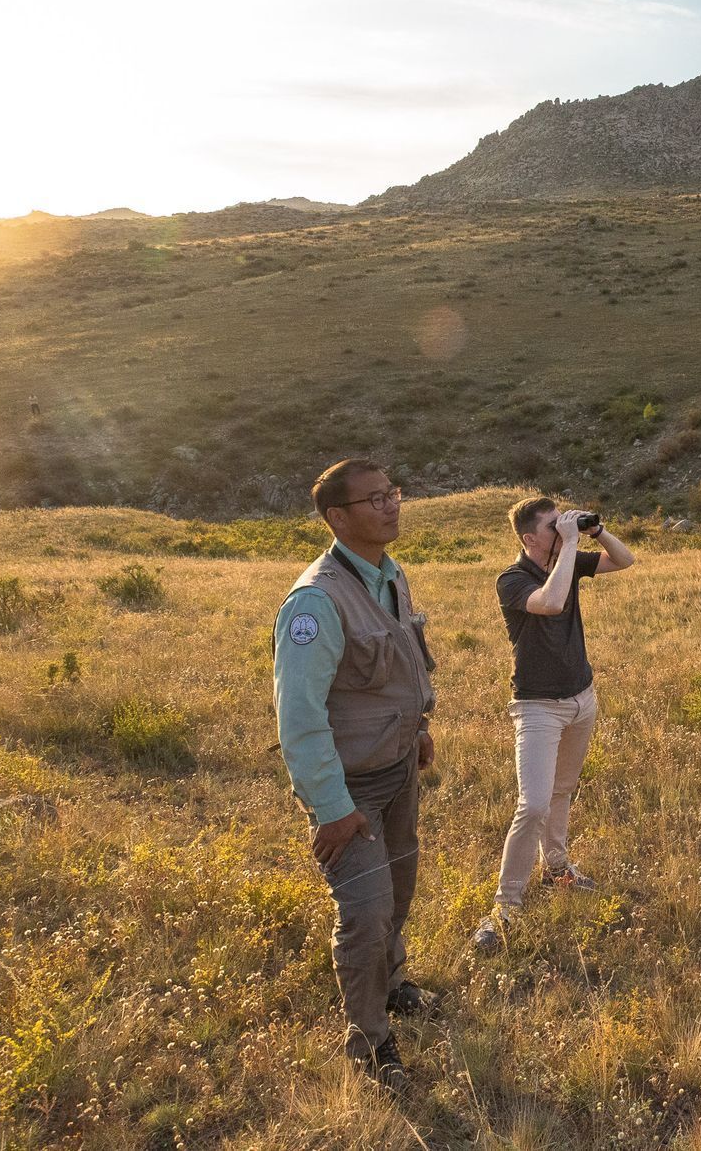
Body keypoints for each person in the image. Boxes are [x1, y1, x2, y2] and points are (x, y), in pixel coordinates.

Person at [272, 458, 437, 1093]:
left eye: (393, 492)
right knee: (366, 914)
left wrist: (418, 727)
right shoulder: (315, 602)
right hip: (351, 789)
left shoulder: (390, 577)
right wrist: (334, 809)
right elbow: (300, 718)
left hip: (398, 771)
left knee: (401, 885)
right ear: (339, 518)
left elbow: (404, 660)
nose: (392, 506)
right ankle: (369, 1039)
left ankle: (393, 984)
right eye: (375, 500)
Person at [472, 497, 635, 954]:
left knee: (562, 789)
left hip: (582, 698)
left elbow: (625, 560)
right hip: (538, 706)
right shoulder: (513, 579)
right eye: (552, 525)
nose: (562, 529)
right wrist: (568, 548)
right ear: (529, 538)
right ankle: (505, 906)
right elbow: (552, 601)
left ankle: (558, 867)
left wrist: (596, 530)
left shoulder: (564, 555)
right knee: (535, 802)